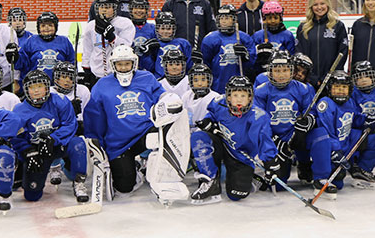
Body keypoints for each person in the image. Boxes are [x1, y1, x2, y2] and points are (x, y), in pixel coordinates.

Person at [83, 44, 165, 194]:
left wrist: (170, 99)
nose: (123, 67)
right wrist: (96, 143)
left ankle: (153, 164)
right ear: (113, 65)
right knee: (125, 187)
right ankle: (135, 167)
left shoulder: (147, 78)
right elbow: (94, 117)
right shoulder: (102, 85)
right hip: (118, 143)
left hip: (144, 134)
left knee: (161, 135)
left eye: (127, 63)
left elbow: (162, 99)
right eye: (119, 64)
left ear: (134, 63)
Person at [192, 75, 279, 203]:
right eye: (235, 95)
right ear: (228, 97)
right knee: (199, 137)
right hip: (221, 145)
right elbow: (211, 114)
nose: (239, 100)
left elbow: (264, 140)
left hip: (240, 156)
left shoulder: (258, 116)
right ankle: (210, 180)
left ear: (250, 98)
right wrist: (208, 121)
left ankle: (252, 177)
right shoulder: (218, 103)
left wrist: (270, 162)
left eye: (243, 96)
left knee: (236, 194)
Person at [253, 51, 330, 190]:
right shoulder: (260, 91)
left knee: (320, 134)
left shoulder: (304, 88)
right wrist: (274, 141)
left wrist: (307, 123)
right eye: (277, 71)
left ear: (291, 71)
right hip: (275, 139)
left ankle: (322, 178)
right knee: (278, 186)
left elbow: (312, 112)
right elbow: (259, 121)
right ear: (269, 71)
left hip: (295, 133)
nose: (281, 75)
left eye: (285, 70)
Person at [11, 70, 88, 203]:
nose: (36, 91)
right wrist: (28, 151)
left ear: (47, 87)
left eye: (40, 86)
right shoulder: (19, 110)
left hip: (57, 145)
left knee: (77, 144)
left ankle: (78, 180)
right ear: (26, 89)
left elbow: (70, 124)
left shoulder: (60, 101)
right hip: (38, 151)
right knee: (32, 195)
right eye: (32, 87)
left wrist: (53, 138)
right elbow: (17, 138)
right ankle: (47, 169)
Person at [312, 70, 375, 199]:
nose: (340, 90)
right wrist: (335, 150)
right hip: (330, 149)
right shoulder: (326, 103)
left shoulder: (349, 102)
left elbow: (354, 119)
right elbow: (326, 130)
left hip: (344, 145)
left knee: (373, 137)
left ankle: (360, 170)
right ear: (330, 88)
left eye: (344, 87)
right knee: (321, 136)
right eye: (336, 87)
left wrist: (366, 121)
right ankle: (320, 179)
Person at [347, 61, 375, 186]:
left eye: (366, 76)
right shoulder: (352, 94)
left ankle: (364, 168)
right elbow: (350, 113)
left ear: (372, 77)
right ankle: (352, 164)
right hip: (356, 130)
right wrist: (364, 120)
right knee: (352, 138)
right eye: (359, 77)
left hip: (373, 131)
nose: (363, 80)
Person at [81, 0, 135, 88]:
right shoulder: (91, 26)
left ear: (114, 8)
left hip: (117, 74)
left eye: (107, 7)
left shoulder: (125, 24)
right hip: (96, 74)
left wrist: (112, 37)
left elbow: (126, 48)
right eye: (101, 7)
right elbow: (87, 49)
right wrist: (86, 69)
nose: (104, 10)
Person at [295, 0, 348, 88]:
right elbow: (299, 53)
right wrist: (310, 76)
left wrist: (330, 75)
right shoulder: (303, 27)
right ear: (311, 7)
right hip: (308, 80)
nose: (319, 7)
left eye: (322, 3)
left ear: (327, 4)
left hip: (331, 80)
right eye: (315, 4)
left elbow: (342, 53)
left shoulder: (338, 26)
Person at [200, 4, 255, 95]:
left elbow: (252, 63)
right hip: (217, 85)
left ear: (234, 19)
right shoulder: (210, 39)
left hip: (240, 84)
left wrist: (245, 57)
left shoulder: (244, 38)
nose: (224, 21)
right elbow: (206, 64)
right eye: (221, 18)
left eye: (227, 18)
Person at [15, 11, 75, 77]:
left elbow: (72, 63)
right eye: (43, 25)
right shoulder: (31, 41)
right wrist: (15, 57)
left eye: (50, 25)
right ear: (39, 28)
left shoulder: (64, 41)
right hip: (36, 84)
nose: (47, 28)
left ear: (55, 27)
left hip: (59, 84)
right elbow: (21, 64)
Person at [138, 11, 193, 79]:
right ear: (157, 29)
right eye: (163, 28)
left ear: (173, 29)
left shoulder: (183, 43)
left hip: (180, 81)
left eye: (168, 29)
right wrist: (146, 55)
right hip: (159, 80)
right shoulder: (153, 44)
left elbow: (189, 66)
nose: (166, 32)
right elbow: (149, 68)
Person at [252, 0, 295, 72]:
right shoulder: (258, 36)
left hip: (281, 72)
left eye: (275, 18)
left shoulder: (288, 35)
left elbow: (292, 56)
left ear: (280, 18)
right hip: (261, 72)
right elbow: (252, 57)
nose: (272, 21)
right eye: (269, 18)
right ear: (264, 19)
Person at [181, 64, 220, 128]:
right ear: (191, 81)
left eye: (203, 80)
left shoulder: (215, 98)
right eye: (196, 80)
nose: (199, 84)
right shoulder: (186, 96)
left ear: (208, 80)